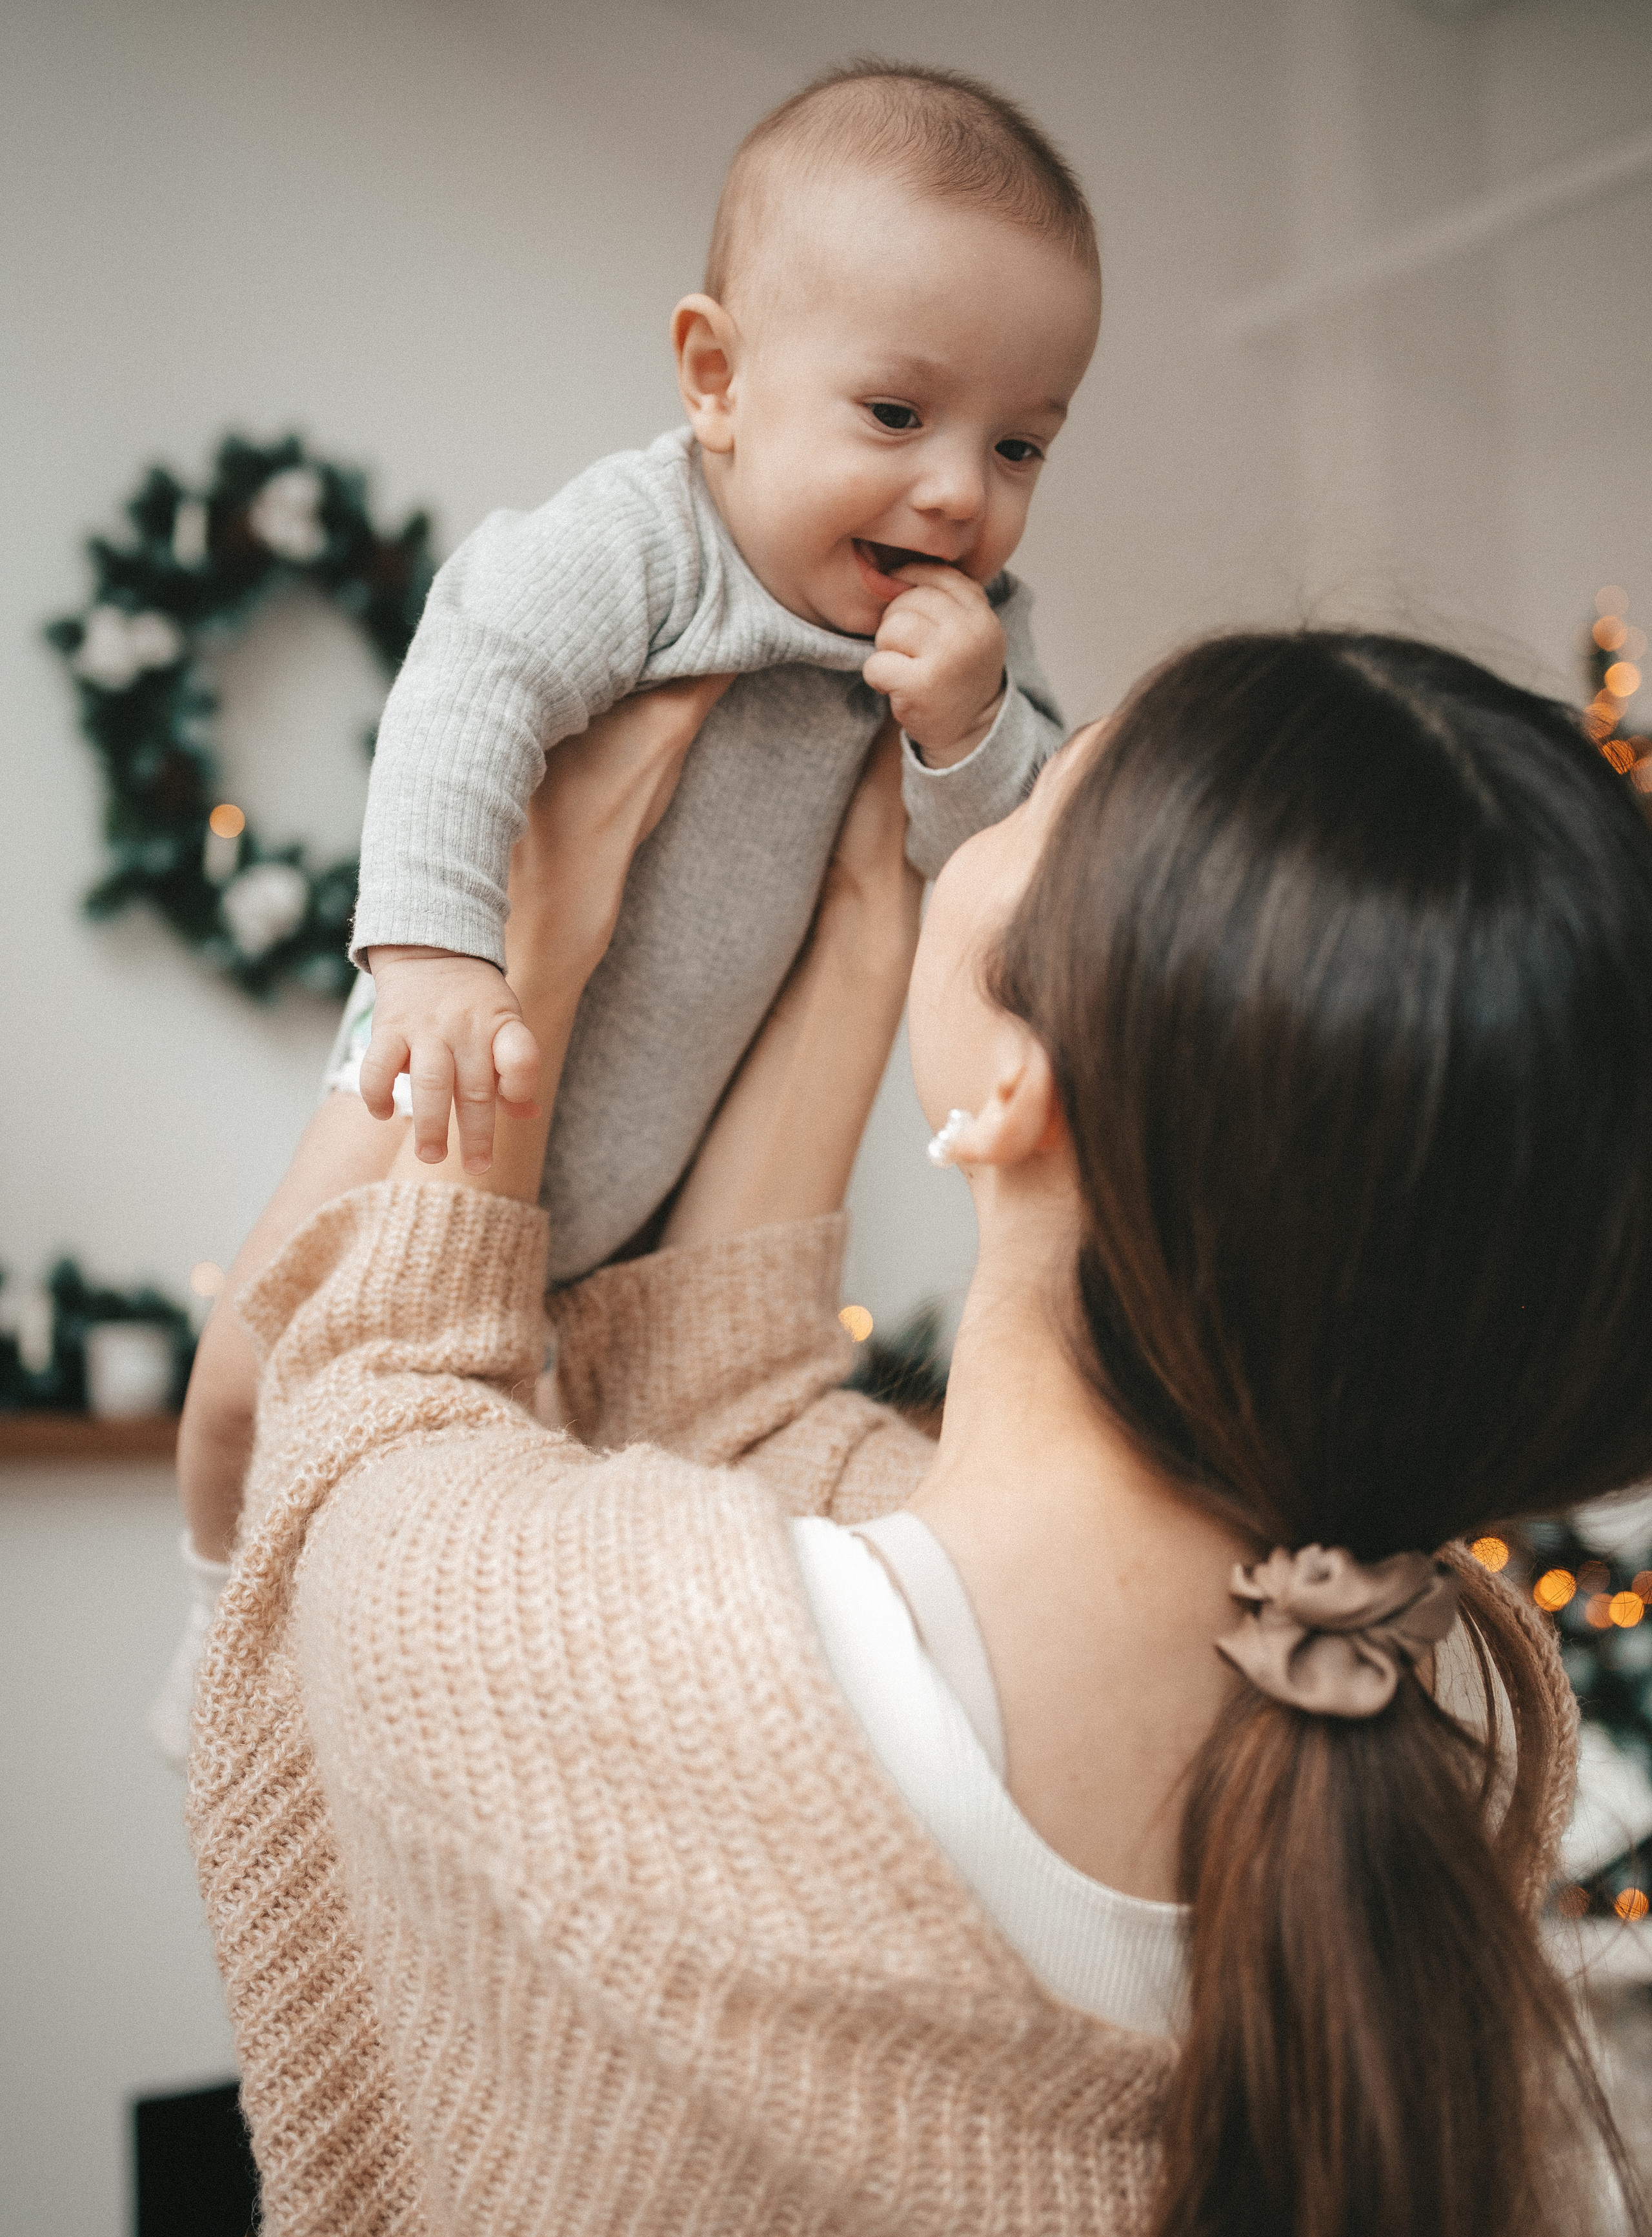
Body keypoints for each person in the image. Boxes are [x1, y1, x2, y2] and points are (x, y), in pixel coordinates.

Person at [190, 634, 1652, 2237]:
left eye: (1040, 798)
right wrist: (869, 955)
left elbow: (357, 1429)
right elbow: (761, 1441)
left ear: (1028, 1082)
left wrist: (522, 952)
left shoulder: (643, 1676)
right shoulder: (1422, 1725)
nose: (1001, 800)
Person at [163, 59, 1099, 1665]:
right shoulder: (647, 543)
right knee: (258, 1376)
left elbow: (988, 868)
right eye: (896, 414)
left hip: (671, 1165)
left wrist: (963, 726)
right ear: (716, 378)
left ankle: (334, 1664)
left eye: (1018, 448)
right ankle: (218, 1634)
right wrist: (443, 961)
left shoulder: (966, 644)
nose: (957, 491)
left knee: (550, 1456)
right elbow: (470, 688)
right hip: (454, 1064)